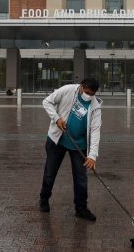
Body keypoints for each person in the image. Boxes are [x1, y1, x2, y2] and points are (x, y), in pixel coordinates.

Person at [39, 77, 102, 221]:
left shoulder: (95, 106)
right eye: (87, 92)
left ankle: (81, 208)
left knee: (81, 178)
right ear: (81, 87)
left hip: (79, 146)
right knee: (50, 172)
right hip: (58, 140)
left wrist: (92, 155)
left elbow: (95, 130)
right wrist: (56, 118)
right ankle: (44, 198)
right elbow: (47, 101)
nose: (89, 96)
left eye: (92, 94)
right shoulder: (67, 90)